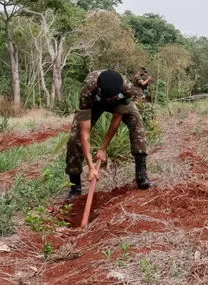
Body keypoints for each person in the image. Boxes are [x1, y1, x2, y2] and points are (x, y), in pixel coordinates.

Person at [65, 69, 153, 200]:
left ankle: (141, 176)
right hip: (95, 104)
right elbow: (85, 132)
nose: (109, 99)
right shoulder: (88, 89)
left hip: (119, 103)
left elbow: (115, 121)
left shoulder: (128, 89)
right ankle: (75, 187)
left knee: (137, 125)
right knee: (75, 138)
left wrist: (103, 148)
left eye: (111, 97)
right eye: (107, 96)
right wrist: (91, 166)